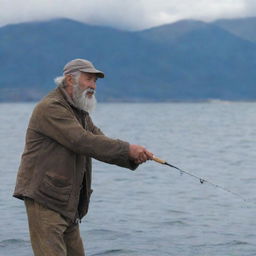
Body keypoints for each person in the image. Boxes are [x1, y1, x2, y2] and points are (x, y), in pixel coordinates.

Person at [13, 58, 153, 256]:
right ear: (70, 80)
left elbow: (100, 142)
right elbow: (82, 141)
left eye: (95, 82)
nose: (93, 86)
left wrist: (132, 156)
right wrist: (128, 149)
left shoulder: (80, 113)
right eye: (89, 79)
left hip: (68, 203)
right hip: (45, 199)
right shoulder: (51, 107)